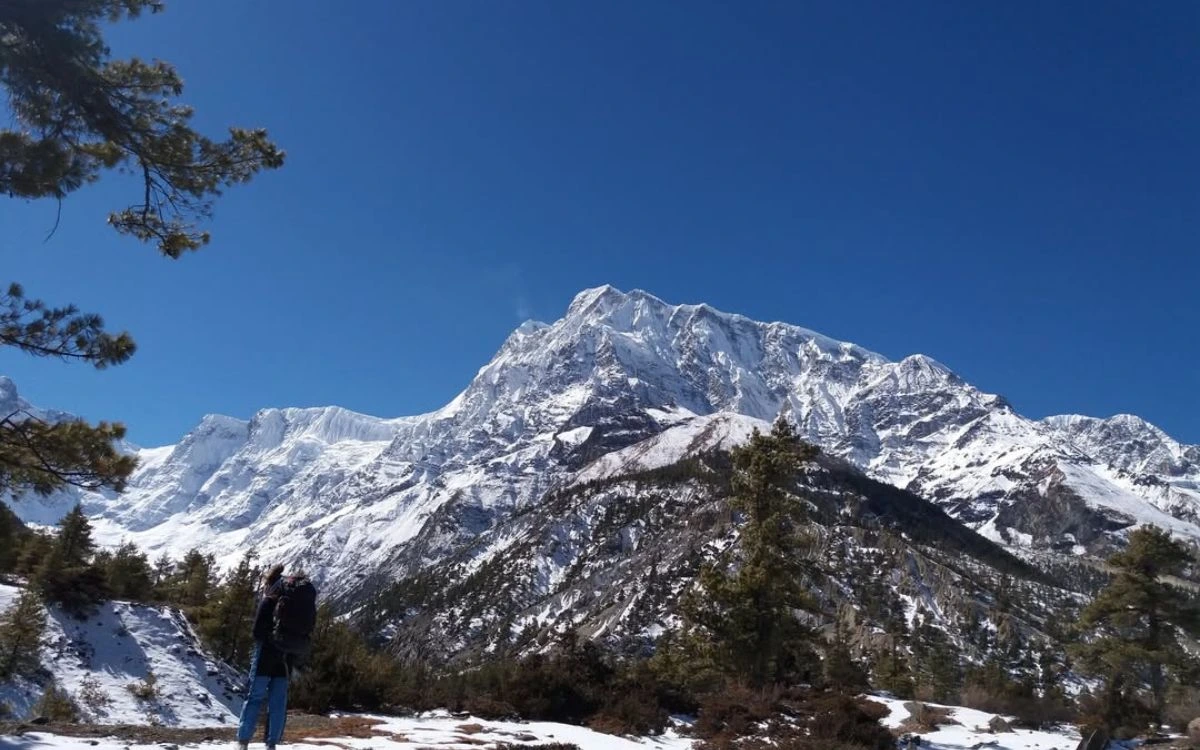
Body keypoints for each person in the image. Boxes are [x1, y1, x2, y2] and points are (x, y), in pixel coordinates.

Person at [236, 564, 317, 750]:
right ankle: (271, 743)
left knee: (254, 697)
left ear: (270, 584)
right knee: (278, 702)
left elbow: (257, 631)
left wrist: (267, 638)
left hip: (265, 655)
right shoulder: (295, 602)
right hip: (286, 658)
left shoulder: (269, 601)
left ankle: (243, 741)